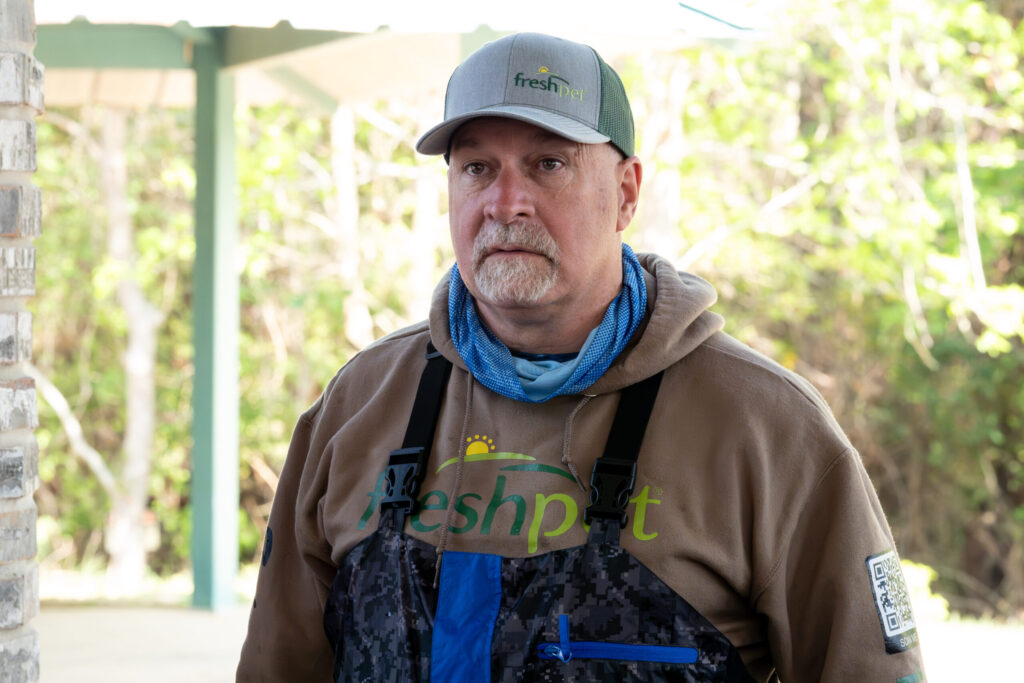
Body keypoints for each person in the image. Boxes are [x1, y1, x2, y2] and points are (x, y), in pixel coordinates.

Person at [237, 32, 927, 682]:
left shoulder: (768, 428)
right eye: (478, 167)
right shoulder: (359, 405)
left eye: (548, 163)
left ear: (626, 191)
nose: (506, 203)